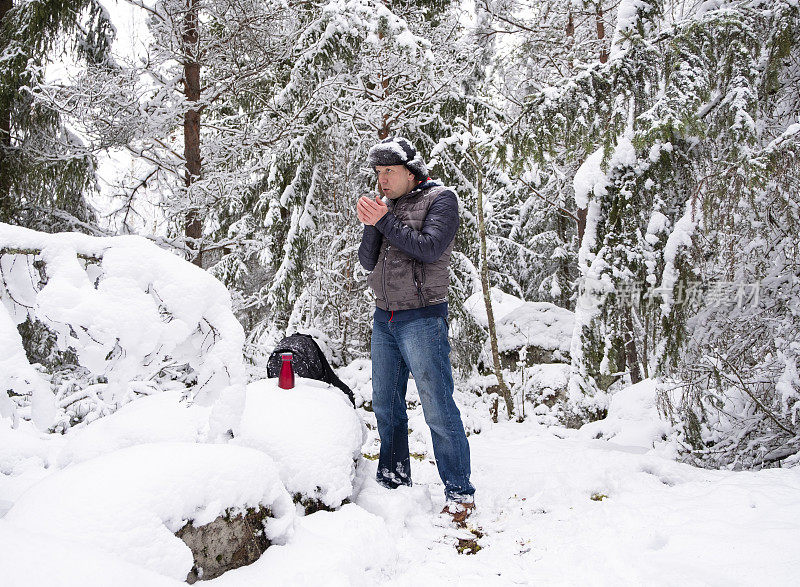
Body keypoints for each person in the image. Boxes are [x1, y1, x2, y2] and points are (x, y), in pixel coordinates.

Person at [357, 136, 475, 518]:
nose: (382, 181)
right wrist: (373, 223)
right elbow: (366, 260)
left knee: (437, 407)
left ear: (411, 172)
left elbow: (429, 248)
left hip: (423, 318)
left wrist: (383, 219)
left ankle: (459, 492)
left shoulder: (442, 198)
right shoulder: (386, 206)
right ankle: (393, 480)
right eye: (378, 173)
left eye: (389, 172)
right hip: (384, 317)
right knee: (387, 406)